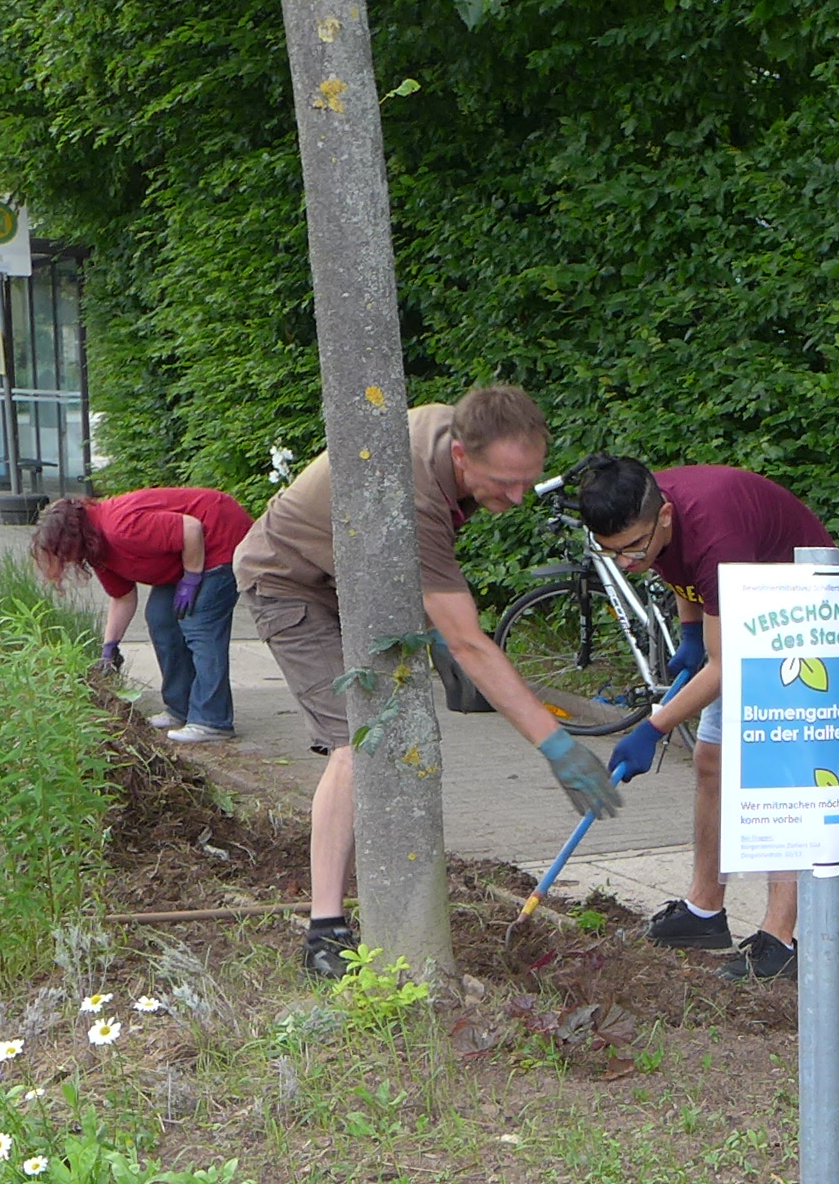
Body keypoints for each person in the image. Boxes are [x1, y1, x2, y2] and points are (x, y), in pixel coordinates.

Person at [231, 384, 620, 977]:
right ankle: (325, 930)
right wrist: (555, 743)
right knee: (356, 744)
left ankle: (385, 890)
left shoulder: (454, 431)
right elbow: (468, 641)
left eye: (529, 479)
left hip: (352, 583)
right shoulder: (412, 495)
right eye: (505, 481)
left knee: (386, 736)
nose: (518, 497)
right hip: (291, 582)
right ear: (462, 456)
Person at [561, 454, 836, 983]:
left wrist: (652, 727)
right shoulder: (649, 517)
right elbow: (683, 573)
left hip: (801, 606)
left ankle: (780, 940)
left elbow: (729, 664)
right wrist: (690, 630)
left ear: (663, 516)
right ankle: (704, 912)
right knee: (711, 758)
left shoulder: (716, 534)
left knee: (773, 771)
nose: (624, 563)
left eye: (632, 548)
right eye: (610, 552)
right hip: (747, 599)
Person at [34, 485, 256, 743]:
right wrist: (109, 649)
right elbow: (122, 598)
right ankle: (180, 709)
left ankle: (212, 720)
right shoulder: (96, 549)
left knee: (200, 623)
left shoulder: (121, 528)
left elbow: (191, 528)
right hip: (186, 557)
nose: (67, 560)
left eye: (63, 553)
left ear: (71, 537)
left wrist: (192, 578)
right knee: (161, 619)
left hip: (221, 537)